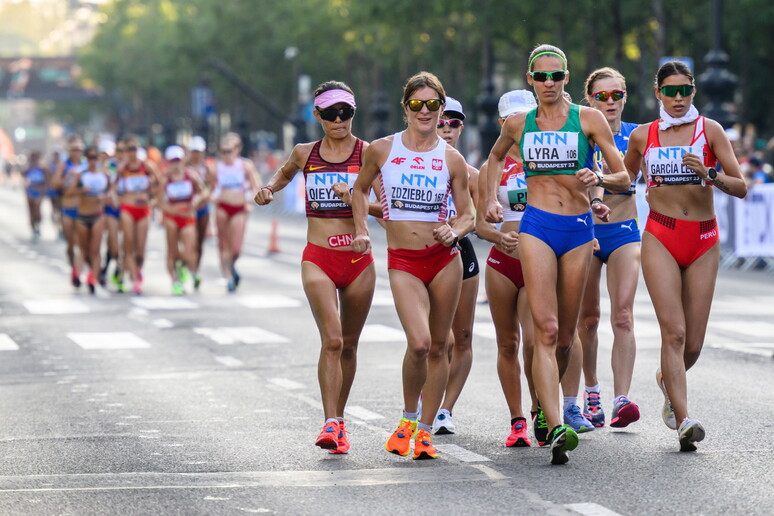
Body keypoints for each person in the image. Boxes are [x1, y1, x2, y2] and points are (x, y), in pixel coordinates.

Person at [484, 45, 630, 465]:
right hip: (537, 227)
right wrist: (489, 201)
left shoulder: (588, 119)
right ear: (530, 79)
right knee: (544, 330)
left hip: (579, 230)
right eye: (541, 76)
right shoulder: (518, 123)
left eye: (556, 76)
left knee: (566, 337)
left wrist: (599, 175)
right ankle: (554, 425)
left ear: (567, 77)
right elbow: (493, 159)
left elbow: (622, 175)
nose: (549, 83)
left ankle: (547, 407)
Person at [624, 61, 747, 451]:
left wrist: (709, 174)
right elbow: (624, 179)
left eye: (685, 91)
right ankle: (684, 420)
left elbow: (740, 186)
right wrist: (591, 183)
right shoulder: (644, 136)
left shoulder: (710, 130)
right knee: (673, 332)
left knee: (692, 343)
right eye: (670, 91)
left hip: (704, 240)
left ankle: (665, 380)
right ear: (657, 92)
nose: (678, 99)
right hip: (660, 234)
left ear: (693, 92)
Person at [351, 71, 474, 460]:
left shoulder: (452, 159)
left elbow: (468, 214)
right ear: (405, 108)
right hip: (403, 261)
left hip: (444, 261)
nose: (425, 111)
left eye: (433, 105)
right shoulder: (382, 150)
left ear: (441, 109)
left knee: (440, 347)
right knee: (419, 343)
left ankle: (424, 432)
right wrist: (361, 229)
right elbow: (358, 190)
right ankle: (407, 418)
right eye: (417, 104)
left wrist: (454, 232)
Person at [256, 81, 378, 454]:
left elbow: (389, 210)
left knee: (351, 346)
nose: (339, 120)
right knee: (333, 339)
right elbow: (285, 172)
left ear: (353, 113)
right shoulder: (305, 152)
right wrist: (268, 190)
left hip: (359, 259)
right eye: (330, 114)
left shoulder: (371, 153)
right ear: (318, 116)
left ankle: (340, 421)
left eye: (345, 113)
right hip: (319, 257)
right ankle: (328, 422)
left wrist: (356, 198)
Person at [570, 67, 643, 429]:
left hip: (624, 231)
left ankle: (621, 399)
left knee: (623, 315)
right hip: (585, 231)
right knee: (587, 318)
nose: (610, 102)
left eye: (617, 95)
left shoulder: (638, 135)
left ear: (625, 96)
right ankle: (592, 389)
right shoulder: (581, 134)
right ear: (590, 100)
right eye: (602, 96)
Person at [476, 89, 539, 448]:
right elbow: (480, 224)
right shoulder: (492, 167)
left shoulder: (544, 160)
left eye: (526, 118)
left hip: (537, 262)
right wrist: (497, 236)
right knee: (507, 344)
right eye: (512, 119)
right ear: (503, 124)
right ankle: (517, 420)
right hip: (502, 263)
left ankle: (539, 408)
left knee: (534, 341)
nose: (519, 125)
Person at [429, 96, 480, 435]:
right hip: (423, 254)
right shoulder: (409, 163)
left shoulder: (472, 173)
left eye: (455, 123)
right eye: (442, 121)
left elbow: (479, 219)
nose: (448, 129)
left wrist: (471, 224)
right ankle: (424, 399)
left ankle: (445, 410)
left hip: (461, 252)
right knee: (434, 340)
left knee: (461, 338)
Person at [209, 132, 261, 292]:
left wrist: (249, 198)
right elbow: (210, 189)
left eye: (230, 150)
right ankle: (228, 276)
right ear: (220, 152)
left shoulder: (245, 166)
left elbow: (256, 186)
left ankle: (232, 265)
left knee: (236, 247)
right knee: (223, 243)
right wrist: (213, 196)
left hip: (239, 208)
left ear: (236, 150)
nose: (227, 154)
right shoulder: (215, 168)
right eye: (224, 151)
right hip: (223, 207)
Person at [115, 135, 161, 294]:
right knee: (128, 244)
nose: (131, 152)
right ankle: (134, 279)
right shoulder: (122, 168)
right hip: (127, 208)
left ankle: (137, 268)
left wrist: (152, 198)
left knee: (140, 249)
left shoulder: (147, 166)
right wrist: (118, 199)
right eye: (128, 149)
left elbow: (160, 184)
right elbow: (113, 187)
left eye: (134, 149)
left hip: (143, 210)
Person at [159, 145, 205, 295]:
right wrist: (169, 209)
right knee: (172, 252)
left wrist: (196, 201)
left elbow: (202, 192)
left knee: (188, 252)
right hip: (172, 217)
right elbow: (159, 201)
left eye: (178, 160)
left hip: (187, 217)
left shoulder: (190, 175)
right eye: (172, 161)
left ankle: (186, 268)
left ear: (183, 161)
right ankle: (175, 282)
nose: (175, 164)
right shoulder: (165, 179)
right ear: (168, 162)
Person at [68, 147, 109, 294]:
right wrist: (81, 190)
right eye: (90, 158)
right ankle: (77, 273)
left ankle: (92, 277)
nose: (93, 161)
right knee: (83, 249)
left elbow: (111, 192)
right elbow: (70, 192)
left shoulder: (104, 176)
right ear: (87, 159)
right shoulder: (81, 175)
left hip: (97, 215)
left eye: (95, 158)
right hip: (83, 215)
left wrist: (105, 197)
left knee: (96, 249)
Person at [52, 135, 87, 287]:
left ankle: (77, 273)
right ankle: (73, 267)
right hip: (67, 208)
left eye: (79, 149)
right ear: (69, 151)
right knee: (70, 245)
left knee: (81, 244)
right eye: (74, 149)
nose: (76, 152)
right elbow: (54, 184)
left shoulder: (87, 165)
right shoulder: (64, 165)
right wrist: (68, 176)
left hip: (82, 208)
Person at [186, 135, 214, 290]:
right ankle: (185, 265)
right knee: (188, 241)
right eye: (194, 151)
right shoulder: (184, 166)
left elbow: (210, 187)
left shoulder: (207, 167)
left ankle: (195, 269)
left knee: (199, 242)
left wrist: (205, 197)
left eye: (199, 151)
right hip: (187, 210)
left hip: (203, 208)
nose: (196, 154)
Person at [98, 140, 122, 288]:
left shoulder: (117, 168)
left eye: (108, 154)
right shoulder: (95, 168)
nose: (106, 157)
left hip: (120, 207)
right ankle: (107, 269)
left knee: (119, 242)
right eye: (103, 154)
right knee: (110, 242)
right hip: (105, 209)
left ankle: (114, 269)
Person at [23, 150, 48, 241]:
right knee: (31, 212)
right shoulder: (28, 168)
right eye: (32, 157)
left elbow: (46, 179)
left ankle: (38, 226)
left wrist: (44, 189)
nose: (34, 159)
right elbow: (23, 177)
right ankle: (33, 229)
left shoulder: (42, 168)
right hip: (30, 191)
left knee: (37, 209)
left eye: (35, 157)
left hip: (39, 191)